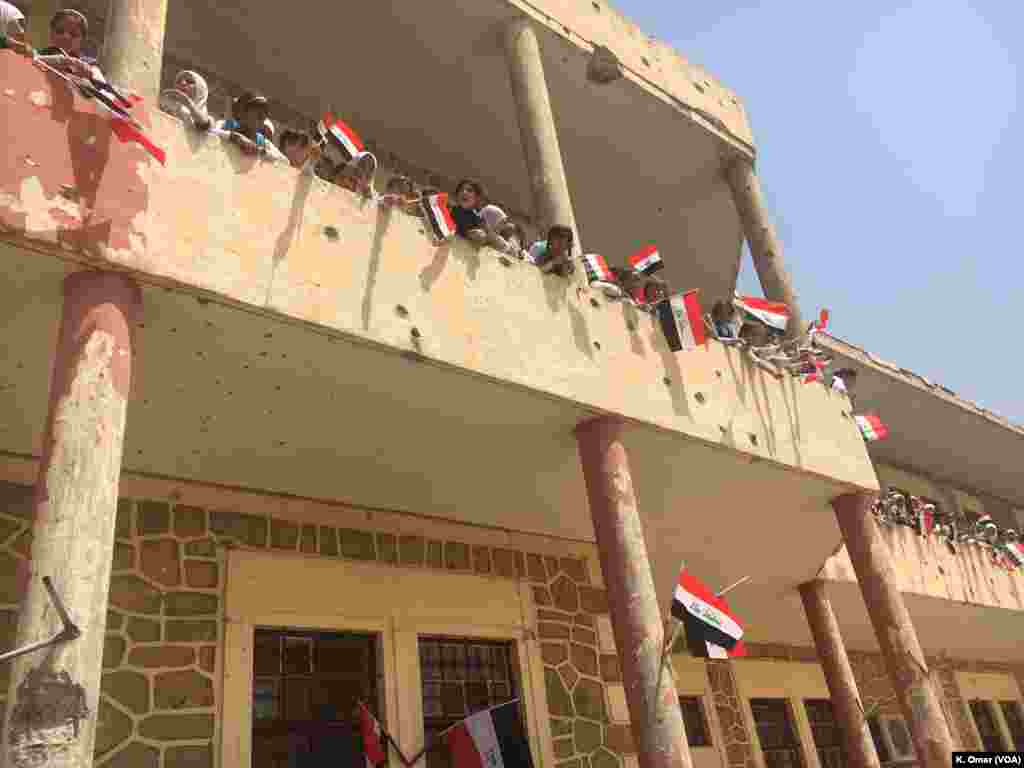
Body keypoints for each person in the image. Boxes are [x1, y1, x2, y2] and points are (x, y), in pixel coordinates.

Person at [216, 92, 287, 161]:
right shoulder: (226, 126)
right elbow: (211, 132)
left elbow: (284, 160)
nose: (261, 118)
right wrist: (234, 137)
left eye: (263, 115)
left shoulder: (262, 141)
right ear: (243, 113)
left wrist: (260, 151)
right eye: (258, 114)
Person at [37, 9, 103, 80]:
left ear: (82, 41)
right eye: (60, 31)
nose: (66, 37)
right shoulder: (37, 55)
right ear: (51, 33)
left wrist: (91, 74)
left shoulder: (89, 63)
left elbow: (99, 80)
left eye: (73, 34)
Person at [449, 179, 488, 245]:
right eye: (461, 190)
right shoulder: (452, 210)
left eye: (469, 190)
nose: (464, 192)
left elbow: (484, 239)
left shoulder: (478, 219)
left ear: (477, 197)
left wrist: (481, 236)